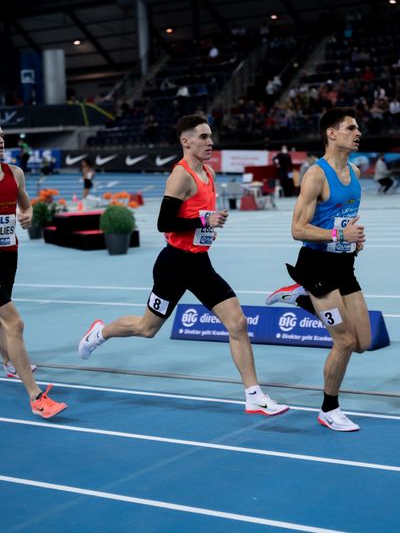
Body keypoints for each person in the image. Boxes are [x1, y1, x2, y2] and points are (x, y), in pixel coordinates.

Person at [79, 114, 288, 417]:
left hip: (199, 263)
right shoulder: (181, 175)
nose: (210, 142)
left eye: (211, 136)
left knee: (238, 323)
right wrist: (205, 219)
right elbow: (164, 222)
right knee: (146, 328)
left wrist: (208, 224)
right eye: (203, 137)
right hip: (174, 264)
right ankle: (100, 333)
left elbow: (195, 216)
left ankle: (253, 395)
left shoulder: (209, 173)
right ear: (185, 141)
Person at [265, 107, 369, 432]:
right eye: (351, 128)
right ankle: (329, 408)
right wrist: (340, 235)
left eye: (358, 128)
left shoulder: (354, 173)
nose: (358, 133)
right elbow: (298, 229)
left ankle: (300, 299)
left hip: (343, 263)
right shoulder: (315, 175)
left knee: (363, 341)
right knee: (344, 340)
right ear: (332, 133)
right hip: (317, 267)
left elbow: (343, 221)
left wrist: (353, 240)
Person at [0, 127, 67, 418]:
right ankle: (35, 396)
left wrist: (26, 215)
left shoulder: (15, 173)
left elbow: (25, 206)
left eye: (2, 135)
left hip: (8, 255)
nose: (1, 140)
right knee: (14, 323)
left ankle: (9, 359)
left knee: (3, 318)